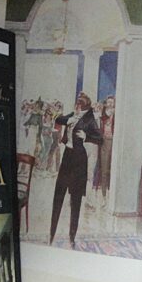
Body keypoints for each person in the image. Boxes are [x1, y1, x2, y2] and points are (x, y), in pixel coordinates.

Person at [50, 92, 103, 245]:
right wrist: (69, 119)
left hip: (79, 160)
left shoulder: (90, 119)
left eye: (80, 105)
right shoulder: (74, 114)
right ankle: (51, 234)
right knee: (58, 195)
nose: (77, 107)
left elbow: (100, 139)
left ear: (85, 106)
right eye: (77, 104)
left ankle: (72, 237)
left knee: (76, 200)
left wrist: (87, 137)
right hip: (67, 156)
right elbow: (58, 119)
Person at [94, 95, 115, 203]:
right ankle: (103, 195)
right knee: (104, 169)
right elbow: (102, 119)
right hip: (105, 142)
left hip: (114, 142)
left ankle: (111, 194)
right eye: (109, 102)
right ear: (106, 104)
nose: (110, 104)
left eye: (112, 102)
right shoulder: (103, 114)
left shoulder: (116, 114)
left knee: (113, 169)